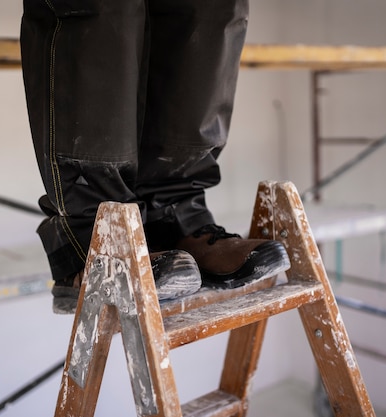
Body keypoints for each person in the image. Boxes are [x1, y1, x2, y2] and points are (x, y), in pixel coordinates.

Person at [20, 0, 290, 314]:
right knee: (104, 11)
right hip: (91, 220)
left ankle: (175, 216)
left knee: (206, 12)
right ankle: (93, 232)